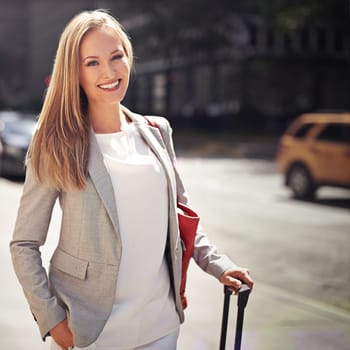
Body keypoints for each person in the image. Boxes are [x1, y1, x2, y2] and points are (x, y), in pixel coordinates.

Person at [9, 9, 254, 350]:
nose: (109, 71)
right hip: (89, 332)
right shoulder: (56, 143)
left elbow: (181, 215)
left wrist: (219, 265)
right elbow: (24, 244)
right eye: (92, 62)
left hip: (160, 326)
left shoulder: (156, 131)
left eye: (116, 56)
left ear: (128, 58)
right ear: (74, 72)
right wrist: (51, 319)